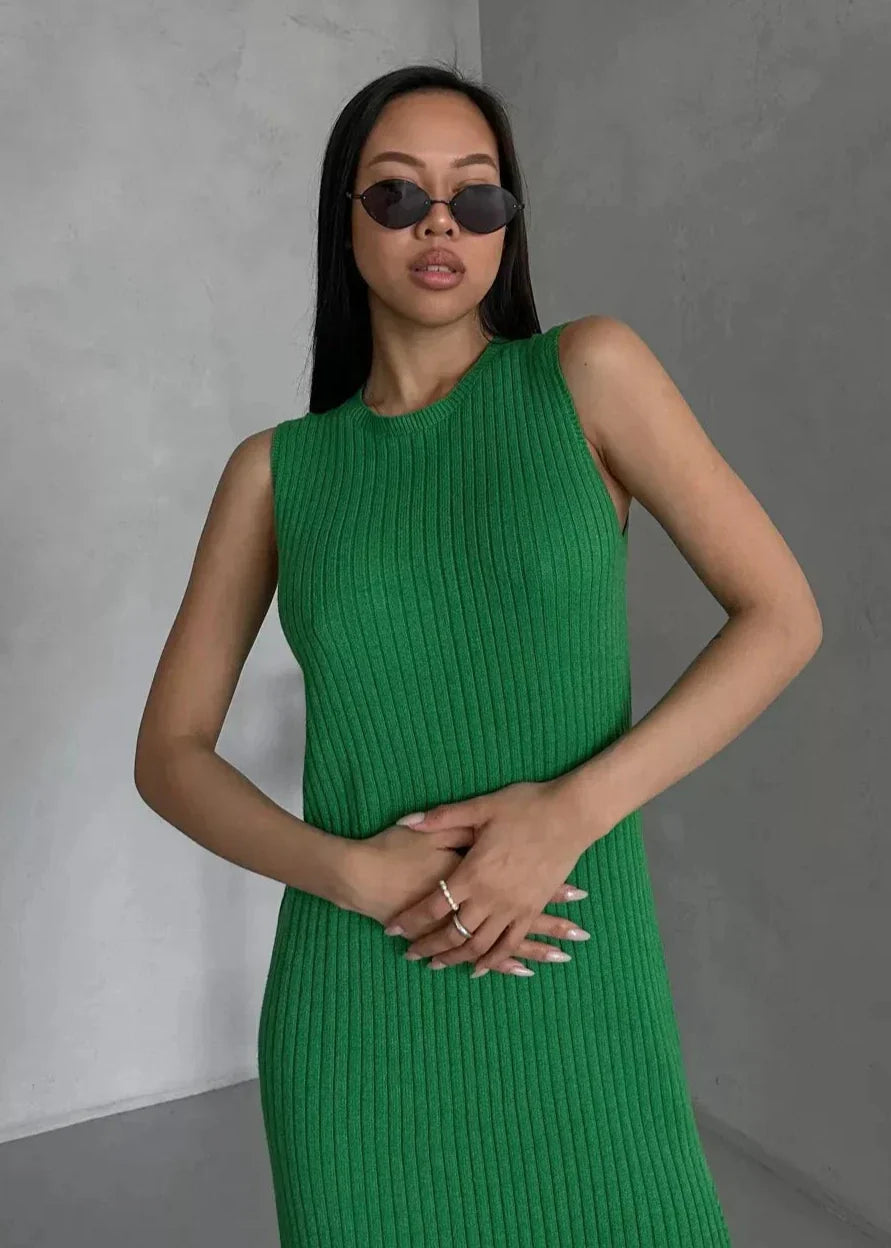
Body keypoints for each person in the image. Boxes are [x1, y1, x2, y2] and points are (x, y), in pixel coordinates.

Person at [134, 62, 822, 1247]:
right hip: (357, 1006)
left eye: (478, 196)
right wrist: (354, 876)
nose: (440, 223)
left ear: (509, 223)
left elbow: (782, 617)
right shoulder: (277, 473)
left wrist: (567, 814)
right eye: (399, 194)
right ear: (345, 223)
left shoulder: (589, 375)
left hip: (573, 964)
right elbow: (170, 752)